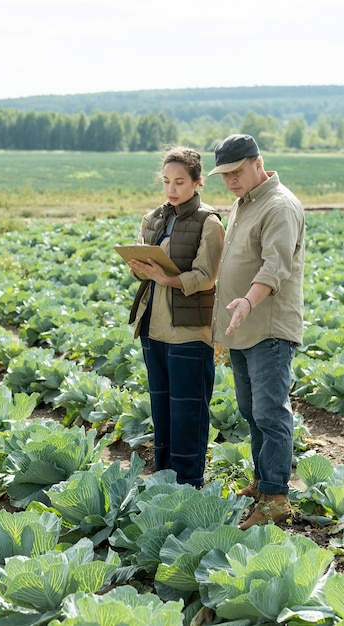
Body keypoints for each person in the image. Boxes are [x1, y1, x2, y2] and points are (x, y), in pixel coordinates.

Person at [208, 134, 305, 529]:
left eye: (236, 171)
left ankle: (277, 496)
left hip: (267, 326)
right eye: (224, 174)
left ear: (257, 162)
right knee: (251, 411)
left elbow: (274, 267)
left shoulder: (279, 205)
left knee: (269, 411)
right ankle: (263, 483)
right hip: (241, 328)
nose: (230, 180)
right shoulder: (243, 203)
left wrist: (248, 301)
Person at [127, 146, 225, 488]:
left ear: (198, 183)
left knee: (189, 411)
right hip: (153, 328)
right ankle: (165, 481)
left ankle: (190, 482)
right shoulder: (152, 218)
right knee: (163, 410)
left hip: (189, 331)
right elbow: (144, 273)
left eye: (180, 182)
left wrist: (169, 279)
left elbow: (207, 275)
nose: (171, 189)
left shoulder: (208, 222)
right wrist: (139, 268)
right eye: (166, 181)